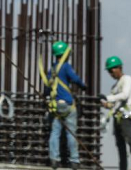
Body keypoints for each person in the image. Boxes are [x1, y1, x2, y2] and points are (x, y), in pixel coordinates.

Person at [41, 41, 86, 170]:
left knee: (55, 133)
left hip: (56, 107)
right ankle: (74, 160)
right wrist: (83, 86)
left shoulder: (52, 70)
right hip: (68, 105)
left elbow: (47, 88)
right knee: (71, 133)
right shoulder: (66, 67)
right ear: (66, 54)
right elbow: (75, 79)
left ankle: (54, 159)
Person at [101, 56, 131, 170]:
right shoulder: (114, 87)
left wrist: (108, 98)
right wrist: (104, 103)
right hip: (117, 117)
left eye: (112, 69)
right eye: (109, 71)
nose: (111, 72)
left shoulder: (127, 79)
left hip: (126, 115)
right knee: (120, 145)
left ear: (119, 67)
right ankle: (122, 167)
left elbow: (124, 95)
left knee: (129, 138)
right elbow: (114, 104)